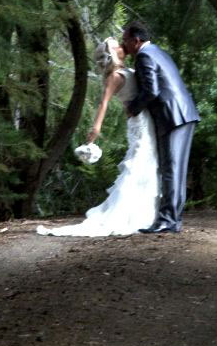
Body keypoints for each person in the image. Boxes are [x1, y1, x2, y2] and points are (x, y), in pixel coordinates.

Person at [37, 37, 159, 236]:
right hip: (139, 123)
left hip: (145, 119)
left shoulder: (126, 69)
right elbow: (103, 103)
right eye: (117, 46)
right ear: (112, 53)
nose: (121, 46)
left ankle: (146, 211)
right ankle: (129, 214)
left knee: (147, 161)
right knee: (138, 162)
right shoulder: (114, 76)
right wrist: (96, 128)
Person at [122, 21, 199, 233]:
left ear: (136, 41)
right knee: (175, 169)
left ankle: (167, 220)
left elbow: (152, 90)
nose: (124, 45)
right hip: (182, 114)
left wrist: (132, 108)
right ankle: (173, 219)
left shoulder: (144, 56)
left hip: (173, 116)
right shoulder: (158, 52)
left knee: (171, 169)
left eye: (125, 41)